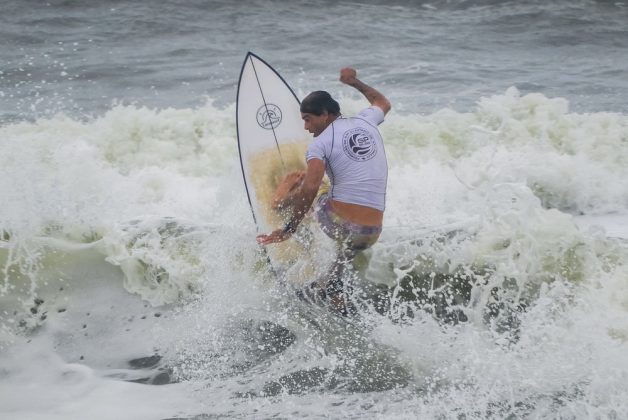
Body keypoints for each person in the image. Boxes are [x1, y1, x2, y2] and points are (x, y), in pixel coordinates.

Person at [256, 67, 391, 313]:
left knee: (318, 192)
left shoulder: (320, 144)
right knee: (346, 246)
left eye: (308, 119)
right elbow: (382, 102)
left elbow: (310, 187)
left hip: (340, 223)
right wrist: (354, 82)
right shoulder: (366, 120)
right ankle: (332, 292)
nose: (306, 127)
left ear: (327, 114)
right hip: (371, 233)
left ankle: (280, 198)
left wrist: (289, 228)